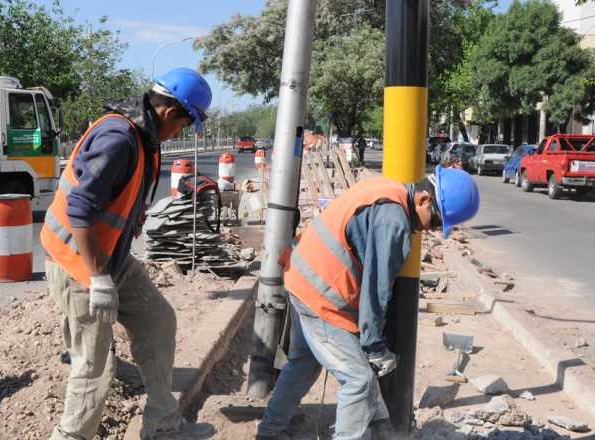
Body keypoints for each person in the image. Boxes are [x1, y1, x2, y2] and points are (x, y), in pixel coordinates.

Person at [40, 68, 216, 440]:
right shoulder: (119, 138)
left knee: (158, 321)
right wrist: (99, 278)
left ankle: (163, 427)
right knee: (94, 365)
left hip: (110, 258)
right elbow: (80, 209)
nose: (182, 133)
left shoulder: (141, 136)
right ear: (170, 112)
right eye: (186, 124)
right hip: (79, 264)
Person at [255, 165, 480, 440]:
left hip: (302, 275)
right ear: (424, 199)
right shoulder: (393, 221)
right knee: (359, 380)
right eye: (434, 222)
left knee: (303, 362)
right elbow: (376, 289)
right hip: (321, 295)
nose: (429, 230)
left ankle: (269, 432)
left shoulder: (389, 188)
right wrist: (373, 346)